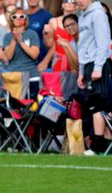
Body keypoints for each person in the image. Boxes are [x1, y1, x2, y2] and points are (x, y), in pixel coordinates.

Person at [76, 0, 111, 155]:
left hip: (99, 63)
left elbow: (103, 42)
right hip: (89, 64)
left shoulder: (98, 14)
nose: (79, 1)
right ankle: (101, 143)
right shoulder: (83, 16)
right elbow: (83, 46)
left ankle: (98, 145)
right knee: (93, 103)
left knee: (96, 104)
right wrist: (82, 71)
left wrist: (97, 68)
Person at [3, 7, 40, 99]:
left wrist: (21, 42)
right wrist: (14, 39)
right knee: (15, 107)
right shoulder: (7, 37)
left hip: (32, 75)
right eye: (14, 16)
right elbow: (8, 57)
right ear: (11, 20)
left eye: (21, 16)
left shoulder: (32, 34)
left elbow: (34, 55)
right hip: (14, 78)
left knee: (32, 107)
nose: (18, 18)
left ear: (25, 19)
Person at [41, 0, 77, 72]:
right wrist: (46, 34)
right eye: (66, 1)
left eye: (73, 1)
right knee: (58, 82)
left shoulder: (81, 21)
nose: (69, 3)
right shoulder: (53, 21)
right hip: (59, 60)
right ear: (62, 5)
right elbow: (49, 45)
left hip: (75, 59)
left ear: (77, 6)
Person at [26, 0, 53, 64]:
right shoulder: (21, 16)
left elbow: (54, 44)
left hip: (41, 61)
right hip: (24, 62)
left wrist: (45, 62)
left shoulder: (47, 16)